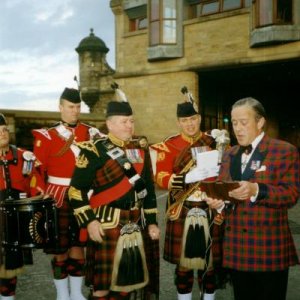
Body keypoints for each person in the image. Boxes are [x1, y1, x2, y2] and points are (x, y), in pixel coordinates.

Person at [68, 84, 160, 300]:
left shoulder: (141, 147)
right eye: (124, 122)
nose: (129, 126)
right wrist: (89, 221)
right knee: (102, 287)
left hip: (136, 222)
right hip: (107, 223)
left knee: (128, 283)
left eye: (131, 121)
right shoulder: (93, 150)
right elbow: (76, 191)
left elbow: (148, 188)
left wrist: (153, 221)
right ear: (109, 124)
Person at [206, 97, 300, 300]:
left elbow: (291, 195)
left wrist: (257, 189)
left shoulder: (284, 151)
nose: (237, 128)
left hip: (268, 250)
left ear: (260, 122)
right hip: (238, 248)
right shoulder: (229, 154)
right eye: (233, 122)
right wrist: (220, 203)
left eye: (244, 122)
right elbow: (226, 191)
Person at [151, 87, 225, 300]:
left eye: (193, 119)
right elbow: (161, 176)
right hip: (181, 206)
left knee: (209, 262)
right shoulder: (169, 144)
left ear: (199, 118)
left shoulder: (214, 142)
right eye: (184, 121)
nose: (189, 124)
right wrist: (184, 179)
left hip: (210, 205)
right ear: (178, 123)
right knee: (184, 264)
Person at [32, 88, 102, 300]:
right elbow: (37, 170)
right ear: (60, 107)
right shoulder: (47, 136)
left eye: (78, 107)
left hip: (83, 196)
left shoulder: (91, 133)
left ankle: (76, 293)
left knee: (78, 245)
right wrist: (40, 192)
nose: (75, 111)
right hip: (56, 197)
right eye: (71, 107)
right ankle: (62, 294)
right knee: (59, 248)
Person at [0, 113, 45, 300]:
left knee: (10, 268)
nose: (3, 134)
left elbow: (34, 181)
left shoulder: (23, 156)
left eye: (4, 130)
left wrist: (40, 193)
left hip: (13, 220)